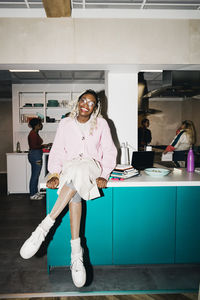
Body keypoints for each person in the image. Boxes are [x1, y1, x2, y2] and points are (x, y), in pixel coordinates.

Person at [20, 89, 117, 288]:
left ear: (95, 107)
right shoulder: (65, 123)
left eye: (91, 103)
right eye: (83, 100)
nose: (86, 105)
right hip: (70, 167)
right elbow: (57, 151)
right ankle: (76, 253)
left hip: (91, 166)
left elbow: (109, 150)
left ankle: (43, 228)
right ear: (78, 102)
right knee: (75, 191)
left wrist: (103, 175)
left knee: (80, 171)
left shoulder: (101, 124)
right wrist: (54, 173)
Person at [28, 118, 51, 200]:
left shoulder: (34, 133)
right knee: (35, 175)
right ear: (36, 125)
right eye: (40, 124)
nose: (41, 125)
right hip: (35, 156)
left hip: (35, 155)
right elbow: (33, 146)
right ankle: (32, 194)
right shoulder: (33, 134)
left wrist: (44, 145)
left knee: (36, 175)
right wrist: (44, 146)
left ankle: (35, 192)